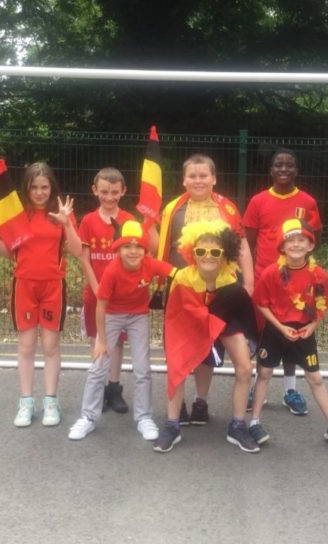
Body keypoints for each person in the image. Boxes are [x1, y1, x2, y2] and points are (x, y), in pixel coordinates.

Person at [156, 154, 254, 426]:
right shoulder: (172, 209)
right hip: (182, 289)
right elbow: (161, 246)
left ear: (214, 179)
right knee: (178, 349)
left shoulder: (228, 209)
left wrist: (248, 285)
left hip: (220, 290)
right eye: (192, 176)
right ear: (184, 180)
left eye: (203, 175)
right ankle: (178, 406)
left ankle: (201, 402)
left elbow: (242, 246)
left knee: (207, 348)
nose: (198, 180)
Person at [0, 162, 82, 428]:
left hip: (53, 287)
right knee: (26, 346)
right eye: (34, 187)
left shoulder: (61, 213)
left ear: (52, 187)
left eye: (44, 187)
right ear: (27, 188)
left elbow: (76, 251)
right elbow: (9, 252)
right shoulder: (19, 214)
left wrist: (67, 224)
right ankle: (26, 402)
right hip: (24, 286)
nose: (39, 192)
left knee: (50, 347)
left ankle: (51, 401)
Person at [153, 220, 259, 453]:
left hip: (224, 320)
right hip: (190, 322)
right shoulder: (182, 278)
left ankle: (238, 426)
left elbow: (240, 314)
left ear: (224, 255)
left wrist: (248, 339)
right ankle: (172, 426)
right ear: (192, 253)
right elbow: (174, 314)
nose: (208, 256)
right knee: (176, 366)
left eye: (215, 252)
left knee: (244, 368)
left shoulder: (230, 280)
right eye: (201, 251)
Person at [68, 220, 176, 441]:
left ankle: (144, 417)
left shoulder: (150, 264)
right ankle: (88, 417)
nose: (133, 251)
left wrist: (200, 277)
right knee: (99, 365)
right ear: (118, 249)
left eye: (138, 247)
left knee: (142, 368)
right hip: (112, 315)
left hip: (138, 317)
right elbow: (101, 306)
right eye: (127, 246)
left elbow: (177, 273)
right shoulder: (112, 271)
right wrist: (101, 341)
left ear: (145, 250)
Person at [249, 218, 328, 449]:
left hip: (304, 332)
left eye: (301, 240)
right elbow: (261, 303)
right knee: (264, 373)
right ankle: (254, 422)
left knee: (316, 378)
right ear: (282, 247)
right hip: (276, 331)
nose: (296, 244)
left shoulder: (318, 275)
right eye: (290, 240)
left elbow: (322, 305)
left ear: (310, 245)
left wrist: (312, 326)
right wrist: (279, 326)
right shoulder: (271, 273)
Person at [243, 148, 323, 416]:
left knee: (293, 331)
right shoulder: (258, 201)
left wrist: (303, 271)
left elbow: (315, 238)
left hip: (295, 284)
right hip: (265, 281)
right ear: (271, 170)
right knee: (264, 335)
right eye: (279, 165)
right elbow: (248, 243)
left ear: (296, 170)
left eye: (290, 165)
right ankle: (258, 387)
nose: (284, 169)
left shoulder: (307, 202)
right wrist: (249, 278)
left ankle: (290, 390)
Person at [77, 167, 136, 414]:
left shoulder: (129, 221)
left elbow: (134, 257)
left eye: (114, 192)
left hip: (120, 297)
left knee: (118, 344)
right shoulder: (88, 221)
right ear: (95, 190)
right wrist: (96, 288)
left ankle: (114, 388)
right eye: (104, 192)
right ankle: (98, 388)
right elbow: (84, 258)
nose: (109, 197)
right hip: (95, 294)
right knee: (98, 341)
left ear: (123, 191)